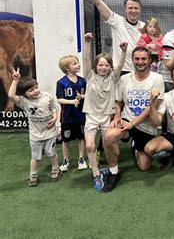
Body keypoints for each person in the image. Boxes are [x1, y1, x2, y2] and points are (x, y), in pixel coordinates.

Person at [102, 47, 165, 192]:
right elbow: (118, 102)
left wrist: (133, 124)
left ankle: (135, 146)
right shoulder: (124, 79)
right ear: (132, 60)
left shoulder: (157, 78)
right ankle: (114, 172)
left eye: (144, 59)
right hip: (126, 120)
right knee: (109, 136)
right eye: (137, 59)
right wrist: (117, 116)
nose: (140, 62)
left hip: (145, 126)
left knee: (144, 167)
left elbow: (152, 107)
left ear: (149, 60)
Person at [80, 0, 144, 73]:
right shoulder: (117, 21)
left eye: (136, 8)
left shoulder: (146, 27)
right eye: (130, 8)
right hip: (120, 71)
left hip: (141, 71)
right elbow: (98, 1)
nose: (133, 11)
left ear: (140, 10)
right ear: (125, 9)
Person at [82, 33, 127, 191]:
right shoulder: (90, 76)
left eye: (106, 65)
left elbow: (120, 66)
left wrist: (123, 51)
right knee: (89, 146)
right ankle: (96, 174)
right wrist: (87, 43)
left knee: (108, 144)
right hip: (91, 117)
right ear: (96, 66)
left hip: (106, 117)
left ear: (110, 67)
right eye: (100, 65)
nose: (103, 68)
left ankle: (112, 169)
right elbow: (86, 60)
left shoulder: (113, 78)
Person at [8, 68, 60, 186]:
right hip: (35, 135)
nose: (35, 91)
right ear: (24, 94)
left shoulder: (47, 96)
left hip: (50, 132)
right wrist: (15, 80)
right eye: (31, 90)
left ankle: (56, 169)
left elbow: (53, 108)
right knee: (35, 157)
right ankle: (33, 176)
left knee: (51, 153)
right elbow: (11, 95)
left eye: (36, 87)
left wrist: (55, 117)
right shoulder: (24, 102)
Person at [56, 55, 87, 172]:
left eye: (77, 62)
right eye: (74, 63)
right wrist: (71, 101)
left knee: (81, 137)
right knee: (66, 139)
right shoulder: (61, 82)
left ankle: (81, 158)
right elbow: (59, 99)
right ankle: (65, 160)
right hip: (67, 117)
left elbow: (87, 95)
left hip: (80, 115)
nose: (78, 65)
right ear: (66, 68)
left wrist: (82, 96)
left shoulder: (83, 81)